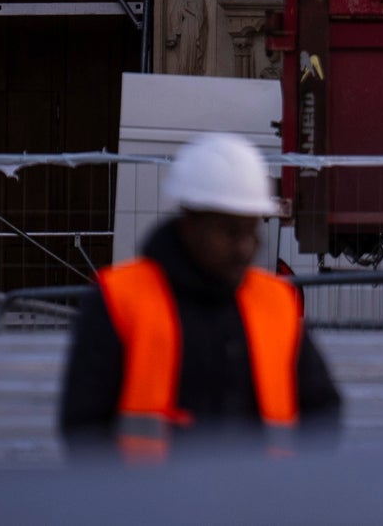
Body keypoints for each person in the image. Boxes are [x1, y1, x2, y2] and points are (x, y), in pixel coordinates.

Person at [58, 133, 340, 454]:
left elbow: (322, 413)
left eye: (251, 230)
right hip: (150, 501)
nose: (245, 247)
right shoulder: (120, 300)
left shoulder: (275, 304)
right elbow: (84, 428)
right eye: (230, 231)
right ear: (190, 223)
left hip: (258, 501)